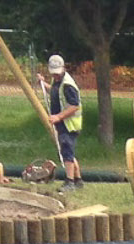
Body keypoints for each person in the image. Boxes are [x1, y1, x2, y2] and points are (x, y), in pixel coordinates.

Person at [44, 54, 82, 187]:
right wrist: (44, 84)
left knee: (67, 151)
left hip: (69, 124)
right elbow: (56, 93)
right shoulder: (57, 81)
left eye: (57, 73)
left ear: (63, 68)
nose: (55, 76)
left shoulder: (67, 85)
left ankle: (69, 181)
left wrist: (58, 117)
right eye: (53, 74)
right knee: (68, 151)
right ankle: (78, 180)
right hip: (63, 124)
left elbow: (74, 106)